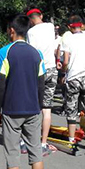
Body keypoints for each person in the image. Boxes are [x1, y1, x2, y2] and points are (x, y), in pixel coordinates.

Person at [0, 15, 46, 169]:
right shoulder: (37, 53)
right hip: (33, 109)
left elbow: (1, 84)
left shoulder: (4, 52)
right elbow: (41, 83)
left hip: (11, 110)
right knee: (36, 151)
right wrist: (39, 106)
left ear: (12, 30)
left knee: (12, 154)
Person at [60, 15, 85, 146]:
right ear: (81, 25)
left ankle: (71, 140)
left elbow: (65, 61)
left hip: (73, 77)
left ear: (70, 27)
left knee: (71, 109)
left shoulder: (68, 39)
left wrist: (64, 72)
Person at [25, 8, 58, 153]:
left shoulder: (31, 32)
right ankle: (43, 143)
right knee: (47, 108)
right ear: (41, 15)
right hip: (52, 69)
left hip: (38, 70)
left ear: (30, 20)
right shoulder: (50, 27)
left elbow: (30, 52)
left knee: (33, 106)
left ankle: (29, 140)